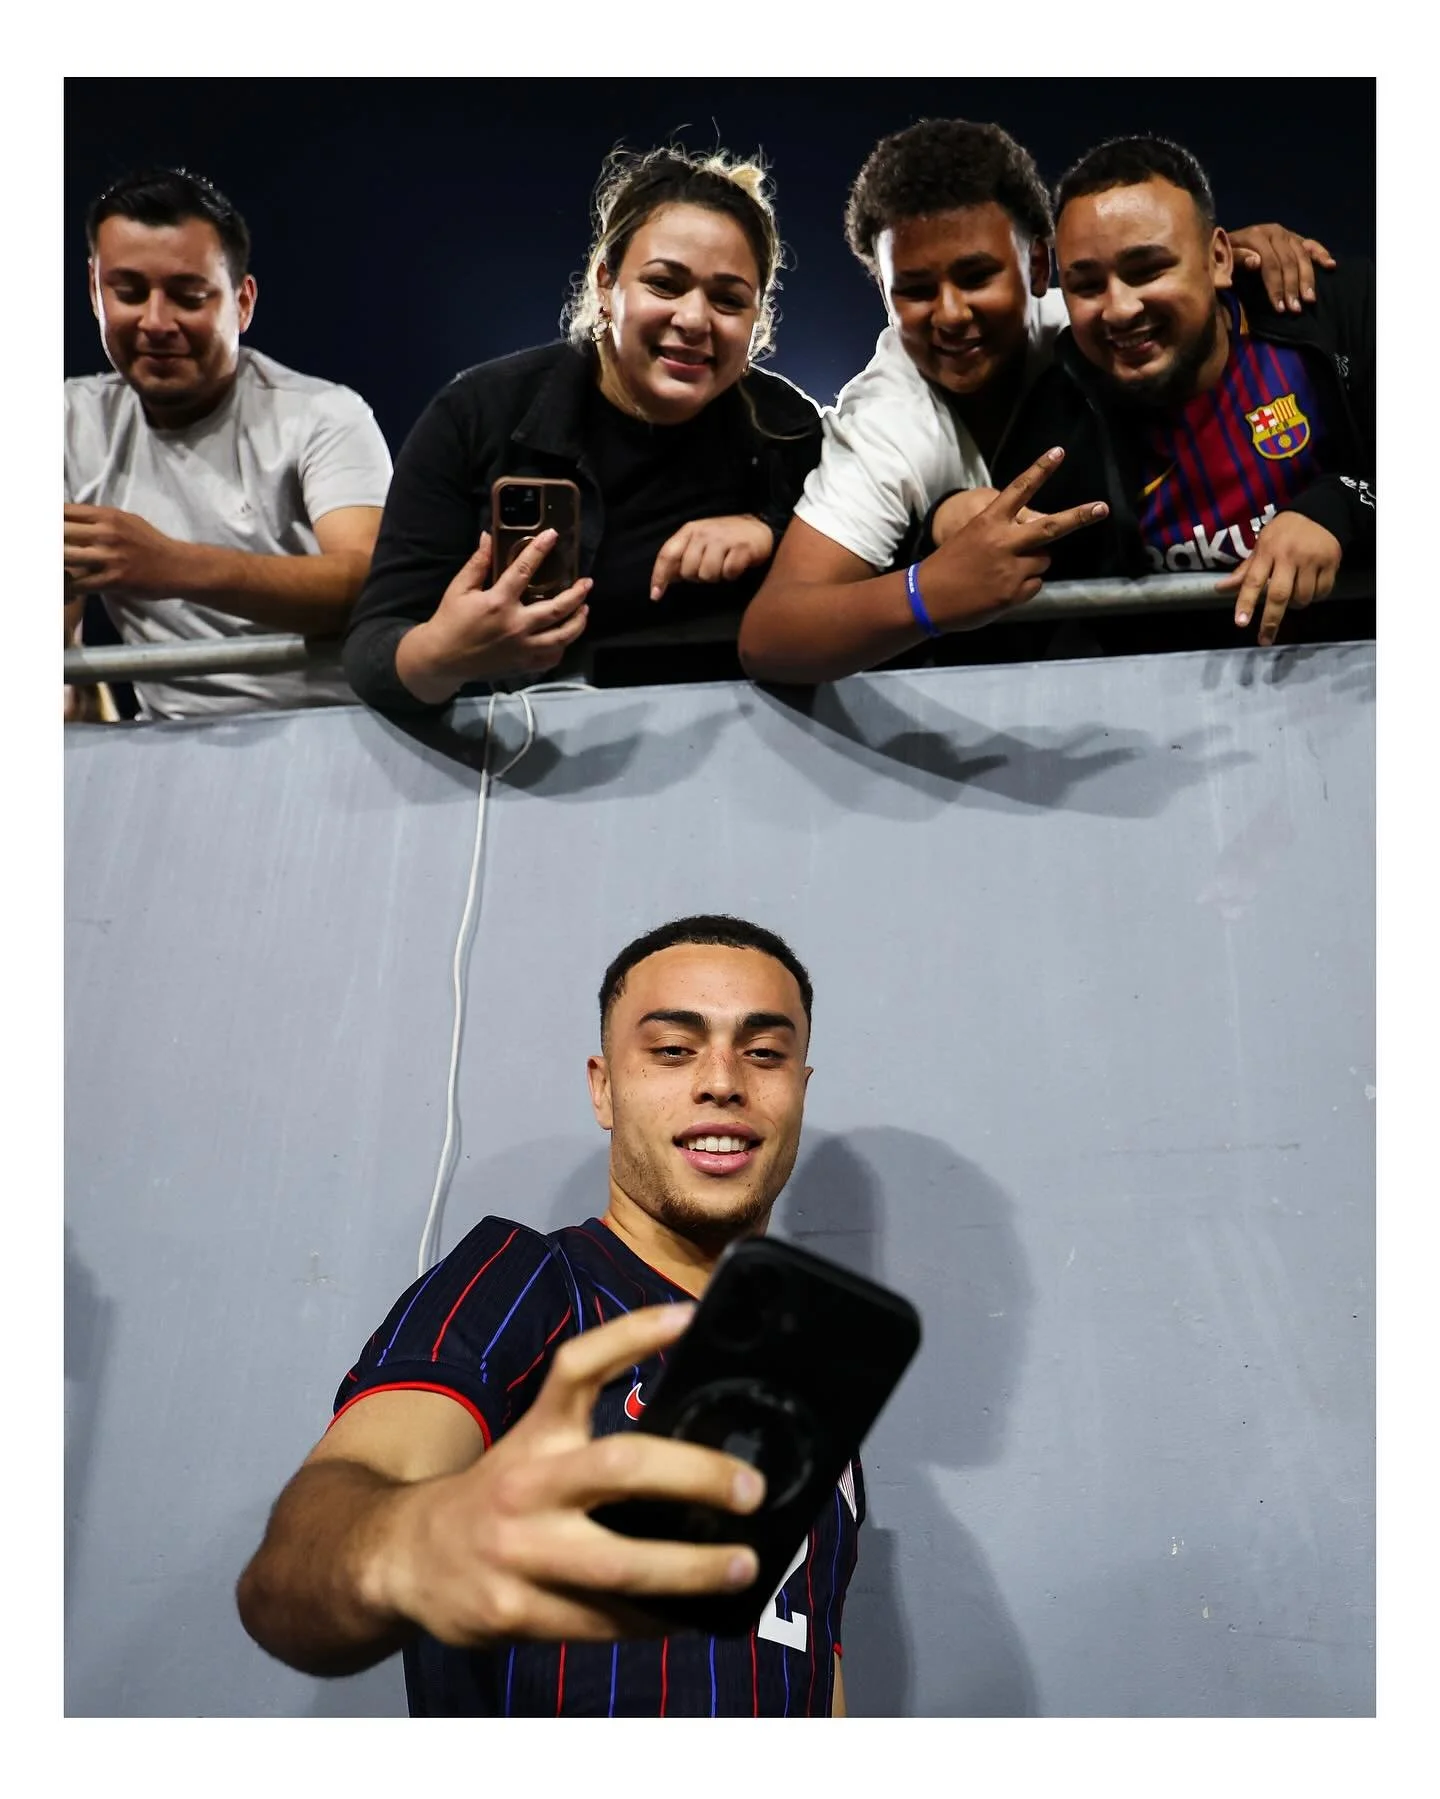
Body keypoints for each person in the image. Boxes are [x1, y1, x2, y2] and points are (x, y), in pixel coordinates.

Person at [237, 916, 860, 1717]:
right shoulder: (525, 1279)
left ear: (800, 1089)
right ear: (604, 1087)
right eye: (673, 1049)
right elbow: (293, 1567)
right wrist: (416, 1543)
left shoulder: (813, 1382)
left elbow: (811, 1657)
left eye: (764, 1053)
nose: (722, 1080)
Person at [737, 118, 1336, 684]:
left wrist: (1235, 264)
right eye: (915, 290)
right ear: (883, 293)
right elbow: (771, 636)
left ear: (1040, 266)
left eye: (976, 277)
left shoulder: (1094, 315)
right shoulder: (887, 423)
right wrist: (929, 592)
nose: (950, 313)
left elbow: (1172, 279)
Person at [341, 147, 823, 711]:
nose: (694, 320)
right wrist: (445, 654)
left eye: (728, 299)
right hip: (525, 763)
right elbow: (372, 652)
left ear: (757, 318)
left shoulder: (786, 429)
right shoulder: (478, 414)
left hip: (736, 761)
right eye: (665, 284)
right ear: (605, 285)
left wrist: (772, 530)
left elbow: (874, 582)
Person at [978, 135, 1374, 649]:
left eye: (1148, 270)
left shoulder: (1337, 312)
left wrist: (1344, 505)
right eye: (1087, 285)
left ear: (1218, 260)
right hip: (1184, 714)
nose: (1118, 308)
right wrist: (948, 514)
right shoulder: (1057, 421)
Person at [64, 167, 393, 721]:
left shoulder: (323, 414)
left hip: (342, 731)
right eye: (129, 292)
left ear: (242, 302)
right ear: (96, 292)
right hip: (165, 746)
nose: (155, 321)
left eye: (188, 296)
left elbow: (369, 583)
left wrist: (169, 565)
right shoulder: (65, 421)